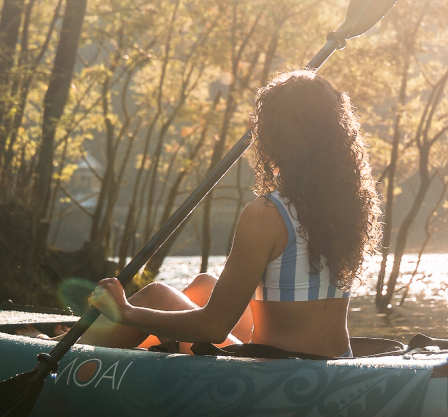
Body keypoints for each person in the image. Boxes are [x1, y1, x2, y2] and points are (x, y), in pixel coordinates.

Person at [82, 69, 381, 358]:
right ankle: (114, 349)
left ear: (276, 139)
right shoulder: (348, 207)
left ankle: (59, 352)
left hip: (276, 372)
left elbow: (213, 328)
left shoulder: (266, 214)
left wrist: (126, 312)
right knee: (203, 286)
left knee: (157, 295)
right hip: (338, 358)